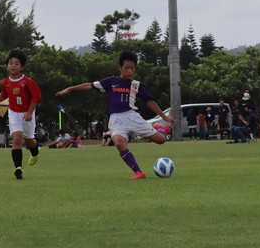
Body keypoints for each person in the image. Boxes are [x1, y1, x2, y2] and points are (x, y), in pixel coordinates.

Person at [55, 50, 176, 180]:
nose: (129, 71)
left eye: (132, 69)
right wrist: (69, 89)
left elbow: (150, 102)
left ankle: (161, 128)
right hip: (116, 120)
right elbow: (89, 85)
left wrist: (164, 118)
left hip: (133, 117)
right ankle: (138, 172)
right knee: (119, 143)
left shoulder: (137, 85)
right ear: (120, 68)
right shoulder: (110, 82)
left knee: (161, 140)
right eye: (126, 68)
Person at [0, 50, 42, 180]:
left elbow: (36, 98)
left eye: (16, 64)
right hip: (13, 113)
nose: (13, 66)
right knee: (17, 139)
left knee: (29, 140)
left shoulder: (28, 82)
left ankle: (35, 151)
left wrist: (29, 113)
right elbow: (4, 94)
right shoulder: (5, 82)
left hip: (27, 112)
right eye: (10, 63)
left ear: (21, 67)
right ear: (7, 66)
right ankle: (18, 168)